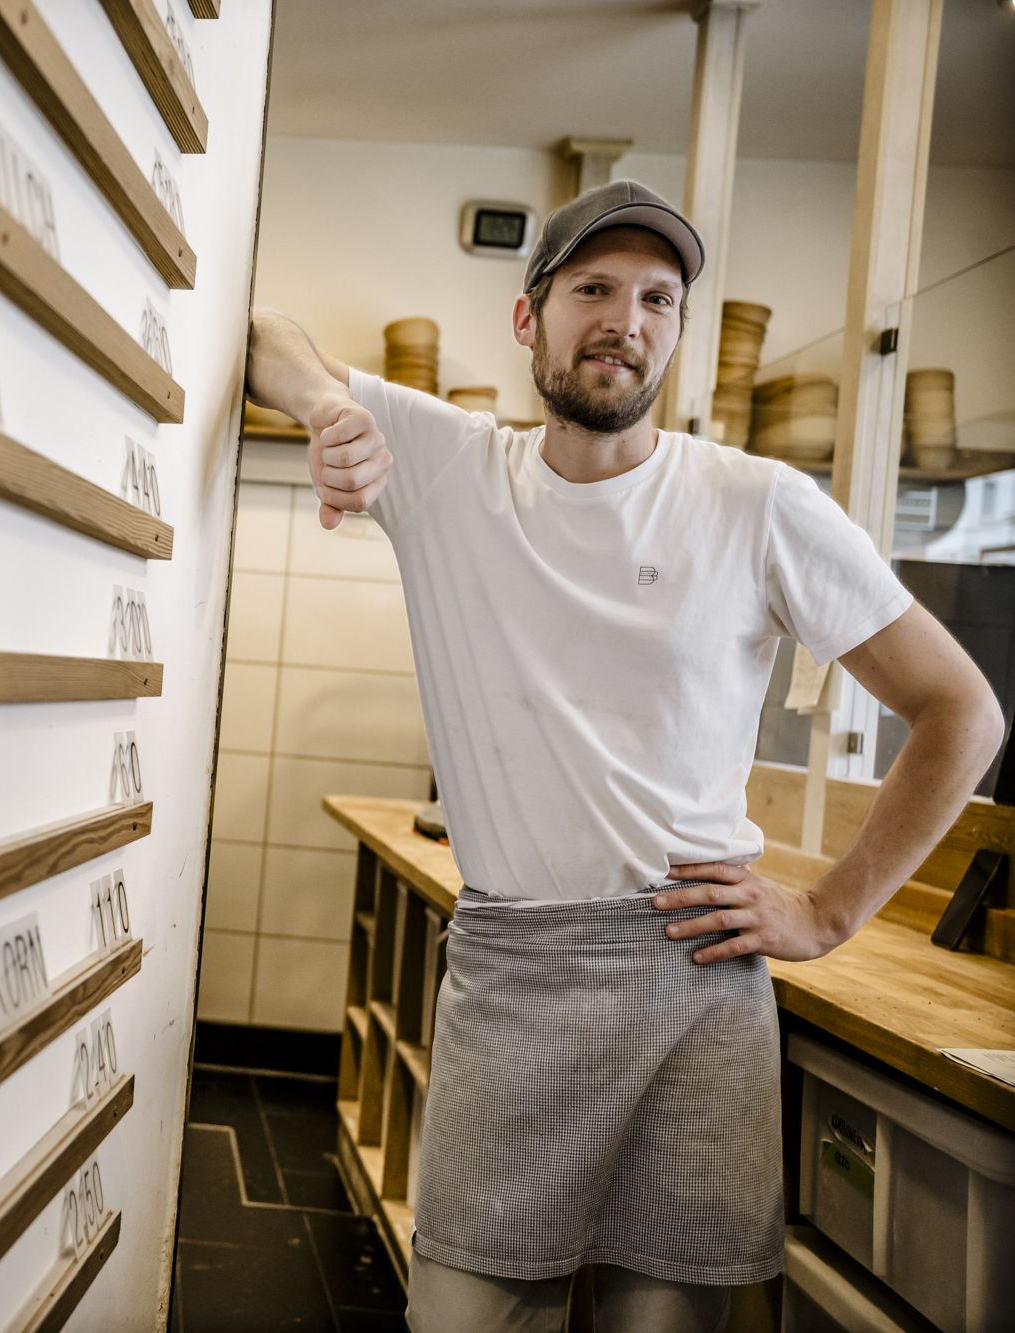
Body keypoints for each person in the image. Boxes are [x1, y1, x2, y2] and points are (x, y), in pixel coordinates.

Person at [243, 179, 1006, 1331]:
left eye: (657, 296)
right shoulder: (450, 468)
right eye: (591, 288)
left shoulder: (757, 504)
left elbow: (961, 711)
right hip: (511, 978)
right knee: (461, 1313)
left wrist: (830, 911)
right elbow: (261, 336)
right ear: (528, 317)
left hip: (689, 989)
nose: (624, 319)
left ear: (678, 330)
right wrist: (322, 408)